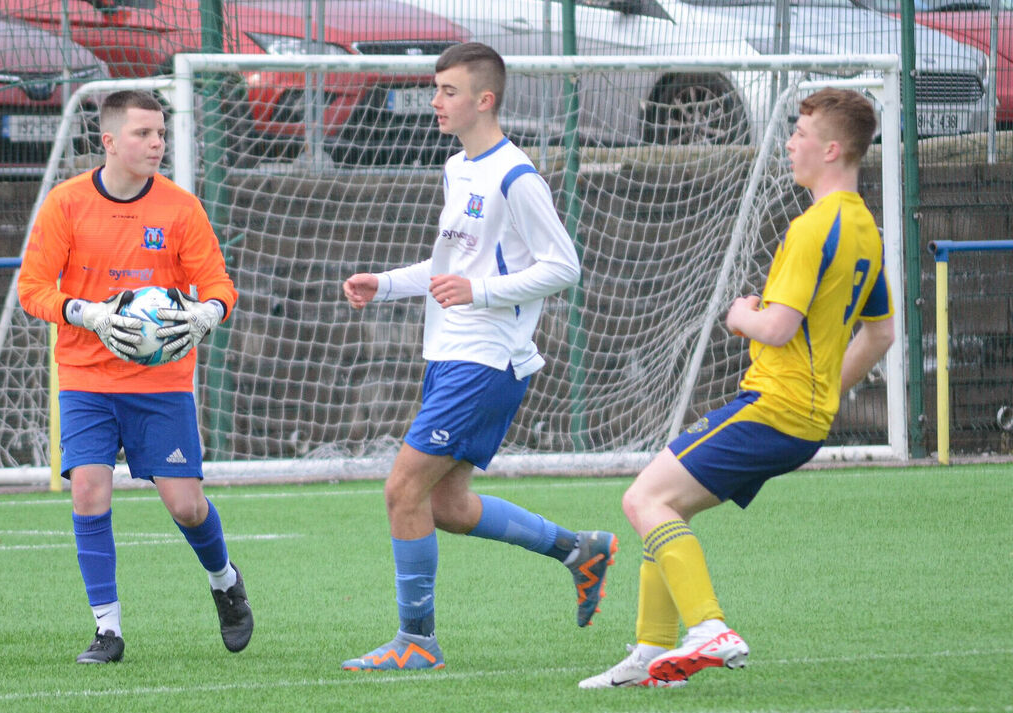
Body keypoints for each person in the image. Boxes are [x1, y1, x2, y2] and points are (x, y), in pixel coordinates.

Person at [579, 88, 896, 689]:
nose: (790, 144)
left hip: (773, 408)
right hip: (801, 416)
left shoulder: (812, 229)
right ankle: (654, 651)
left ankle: (710, 628)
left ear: (831, 149)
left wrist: (739, 313)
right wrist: (824, 390)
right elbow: (881, 334)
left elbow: (776, 327)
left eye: (800, 134)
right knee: (663, 509)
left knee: (642, 501)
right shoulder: (865, 229)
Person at [340, 42, 617, 672]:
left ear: (483, 99)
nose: (435, 101)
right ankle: (579, 550)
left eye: (448, 91)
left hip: (486, 359)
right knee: (447, 506)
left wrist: (483, 292)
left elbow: (563, 267)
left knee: (402, 489)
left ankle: (417, 642)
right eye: (435, 89)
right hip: (451, 354)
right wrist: (384, 283)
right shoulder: (457, 167)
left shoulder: (516, 177)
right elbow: (452, 268)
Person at [18, 89, 252, 664]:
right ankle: (108, 630)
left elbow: (220, 285)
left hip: (161, 382)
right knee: (89, 490)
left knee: (186, 507)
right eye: (144, 134)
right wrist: (86, 312)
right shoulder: (66, 204)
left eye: (161, 134)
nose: (156, 144)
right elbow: (33, 290)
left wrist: (207, 313)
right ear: (109, 141)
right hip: (86, 377)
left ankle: (225, 582)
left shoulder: (180, 208)